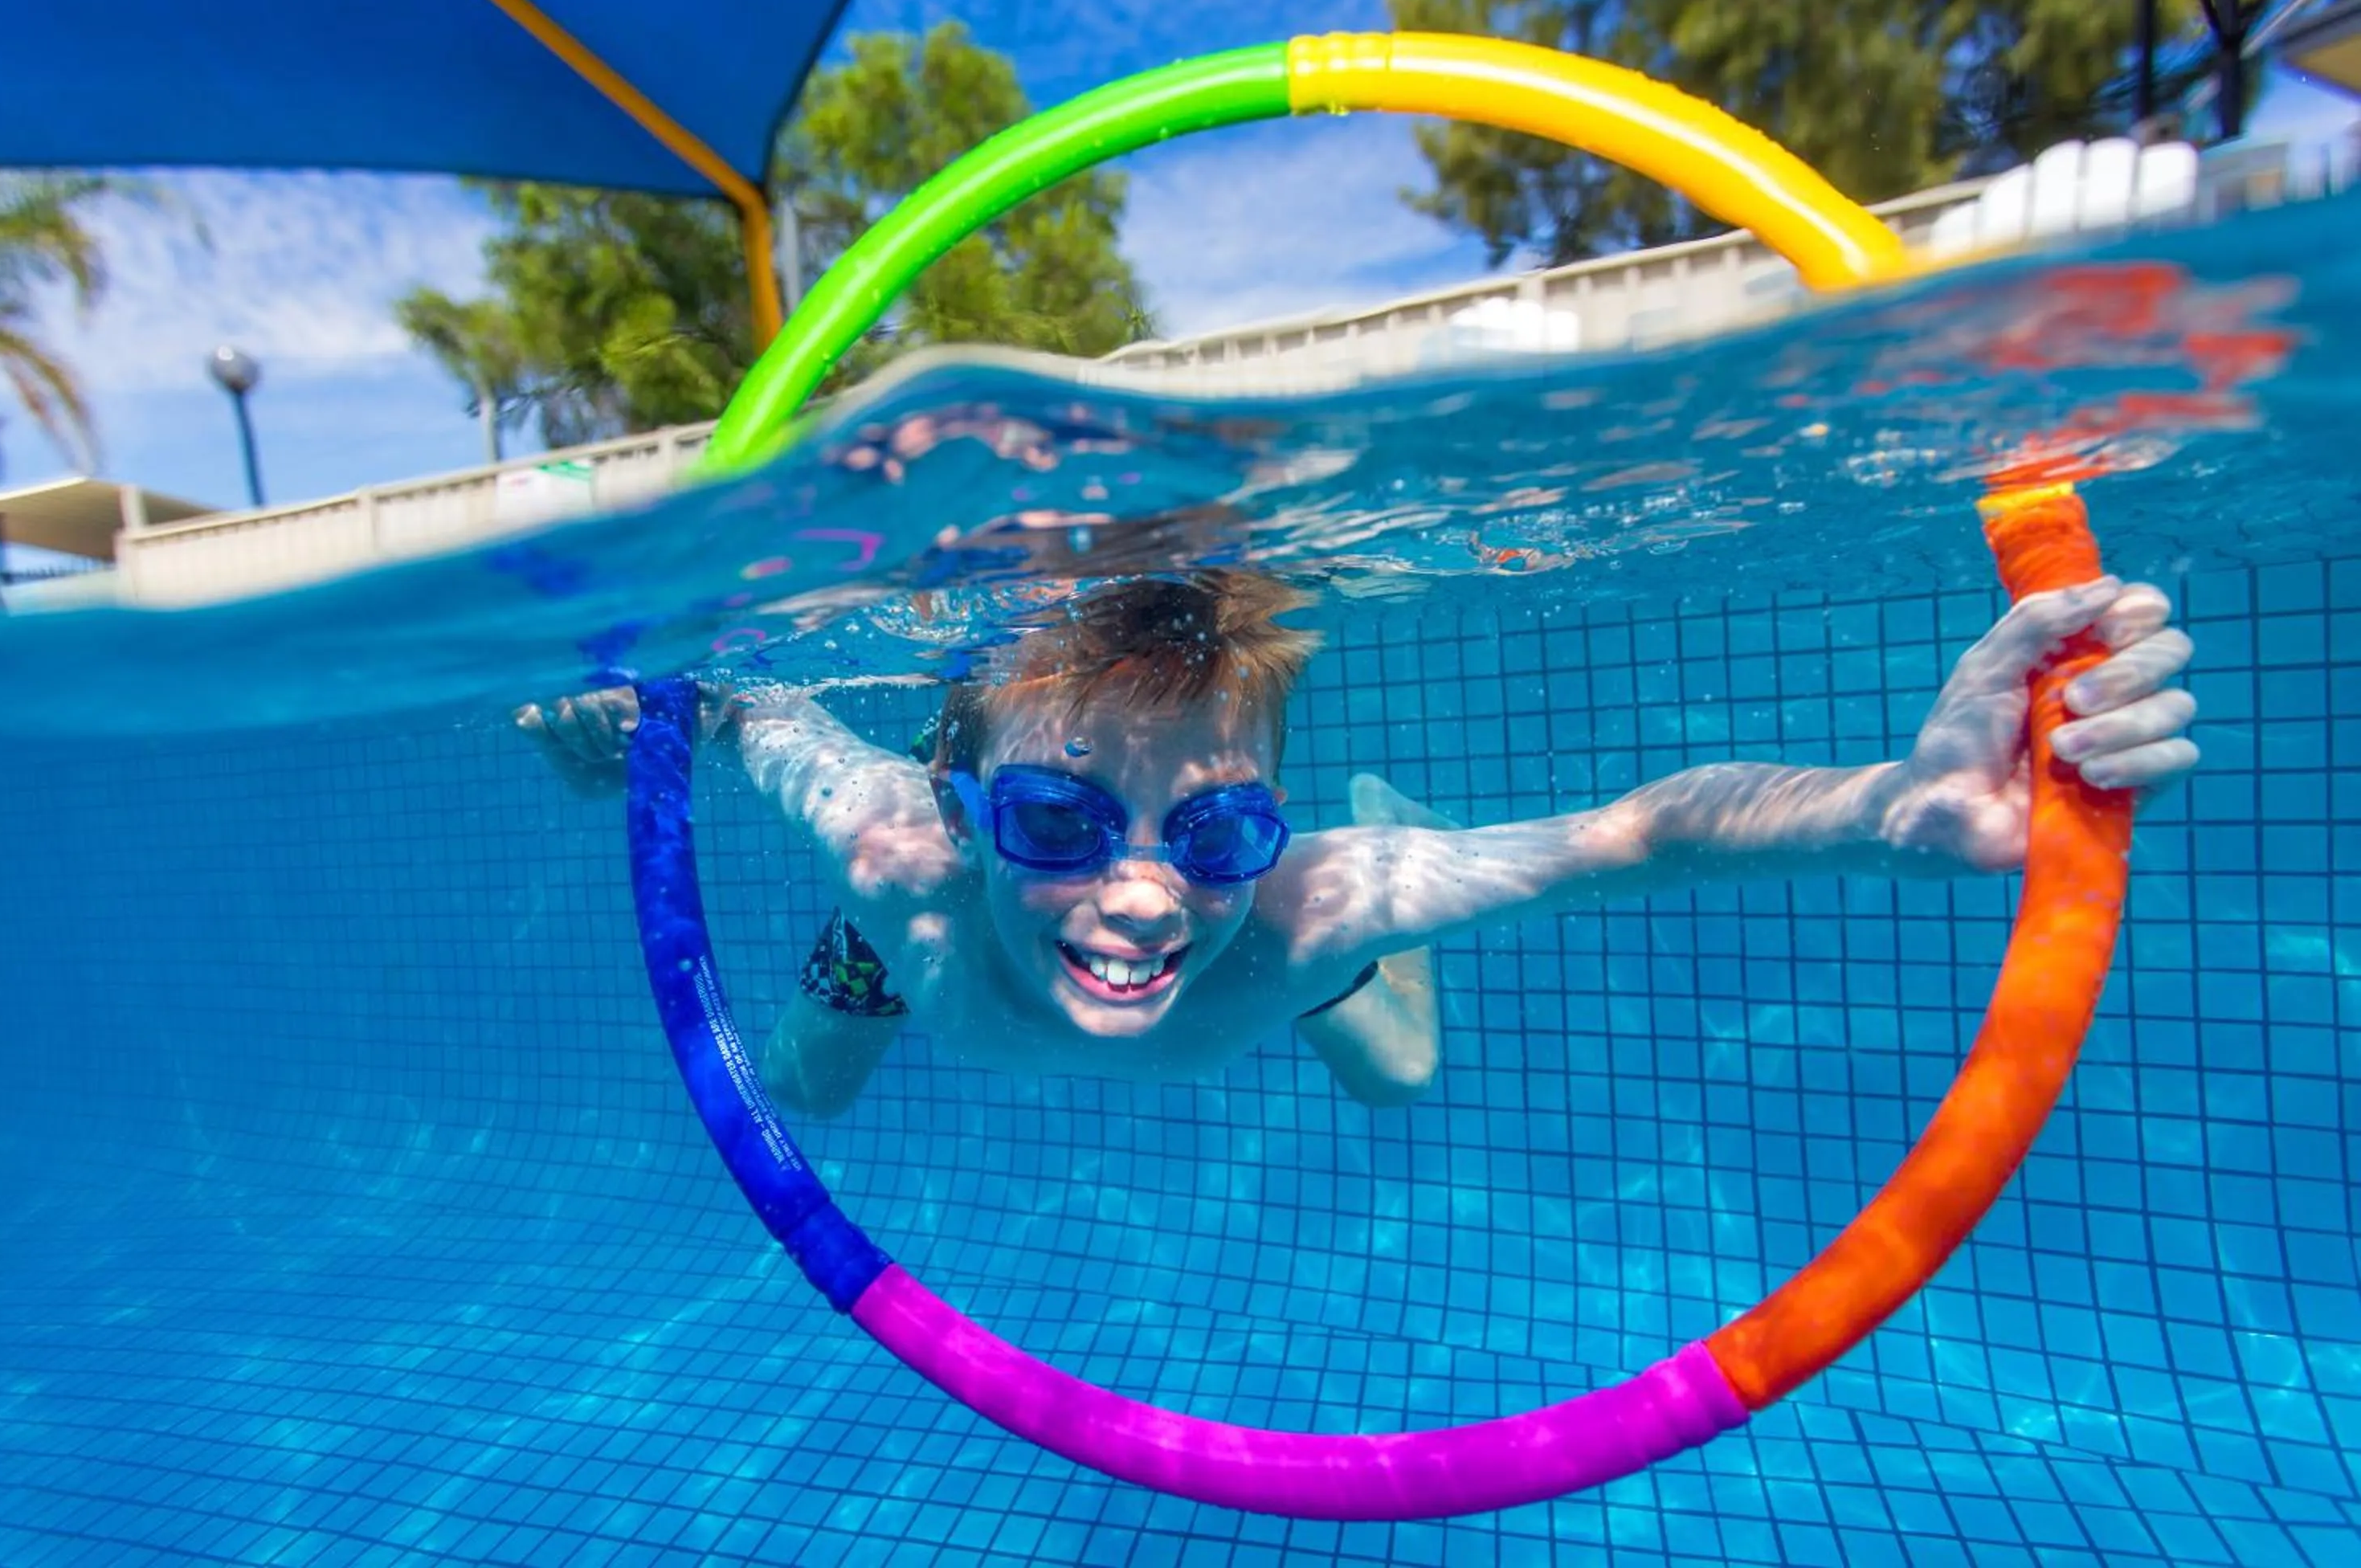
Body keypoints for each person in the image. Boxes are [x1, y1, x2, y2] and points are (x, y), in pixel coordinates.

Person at [520, 567, 2197, 1117]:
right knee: (804, 1090)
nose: (1141, 890)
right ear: (964, 810)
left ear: (1275, 822)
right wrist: (638, 726)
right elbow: (752, 716)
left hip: (1284, 966)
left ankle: (1390, 807)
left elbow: (1620, 838)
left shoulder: (1301, 908)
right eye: (1054, 813)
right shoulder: (900, 859)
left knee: (1398, 1077)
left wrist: (1882, 813)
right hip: (926, 950)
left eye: (1221, 820)